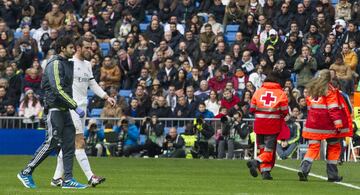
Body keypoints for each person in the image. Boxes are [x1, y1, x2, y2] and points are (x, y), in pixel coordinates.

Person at [17, 36, 87, 189]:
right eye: (70, 47)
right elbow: (57, 88)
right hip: (54, 109)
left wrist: (71, 106)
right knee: (51, 142)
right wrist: (75, 105)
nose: (73, 50)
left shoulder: (66, 63)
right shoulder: (55, 63)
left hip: (65, 109)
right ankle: (26, 171)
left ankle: (68, 180)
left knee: (69, 145)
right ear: (62, 48)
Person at [51, 38, 116, 187]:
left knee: (69, 145)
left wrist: (106, 96)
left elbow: (92, 84)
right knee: (80, 142)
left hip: (83, 108)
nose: (90, 50)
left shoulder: (87, 65)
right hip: (71, 107)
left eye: (91, 48)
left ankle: (56, 178)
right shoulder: (68, 63)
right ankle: (91, 177)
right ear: (78, 48)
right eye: (87, 47)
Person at [298, 69, 353, 182]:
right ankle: (332, 175)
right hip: (328, 126)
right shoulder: (330, 90)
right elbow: (333, 109)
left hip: (313, 125)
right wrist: (339, 125)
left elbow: (310, 106)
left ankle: (304, 169)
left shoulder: (311, 89)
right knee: (333, 147)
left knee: (313, 148)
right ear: (328, 79)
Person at [247, 71, 289, 180]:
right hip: (272, 126)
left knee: (262, 149)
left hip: (259, 125)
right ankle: (256, 161)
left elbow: (251, 108)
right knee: (269, 151)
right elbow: (284, 111)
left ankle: (265, 172)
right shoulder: (280, 93)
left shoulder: (258, 91)